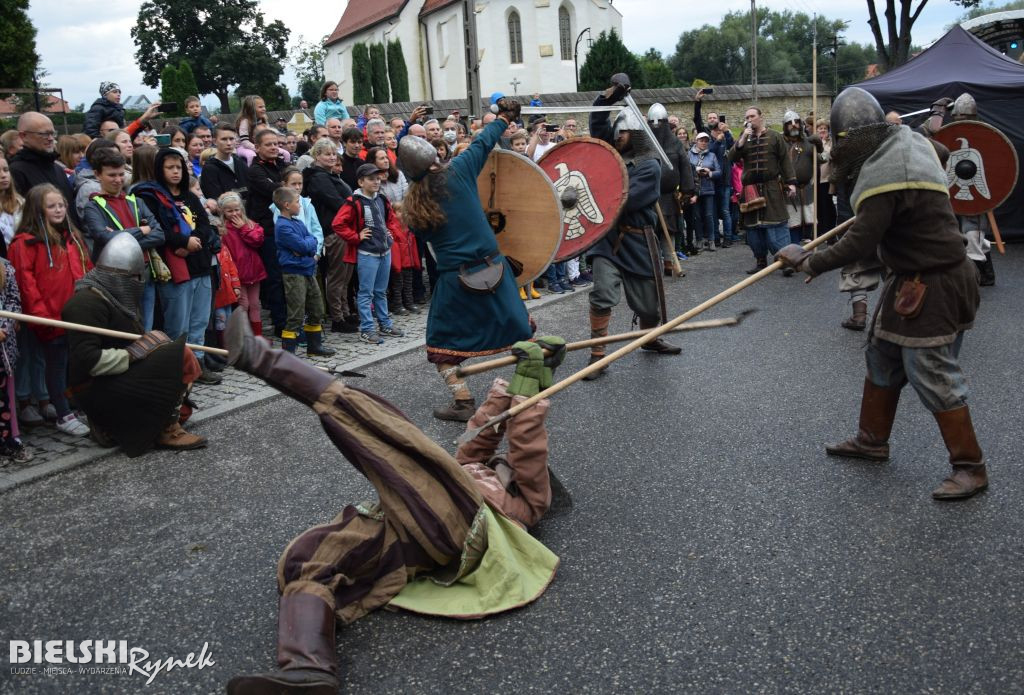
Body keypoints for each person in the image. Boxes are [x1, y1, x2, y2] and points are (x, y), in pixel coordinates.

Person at [221, 310, 560, 694]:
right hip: (405, 529)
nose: (505, 465)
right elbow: (478, 436)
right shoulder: (467, 468)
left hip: (460, 527)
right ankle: (307, 668)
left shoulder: (528, 502)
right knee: (306, 558)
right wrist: (511, 385)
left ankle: (276, 365)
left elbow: (528, 447)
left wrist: (531, 391)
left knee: (404, 448)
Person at [775, 87, 985, 501]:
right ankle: (872, 440)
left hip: (936, 283)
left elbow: (860, 243)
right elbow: (941, 152)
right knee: (883, 354)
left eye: (842, 140)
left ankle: (970, 467)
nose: (840, 148)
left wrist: (808, 260)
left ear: (856, 136)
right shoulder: (909, 140)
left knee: (931, 371)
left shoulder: (888, 176)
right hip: (910, 279)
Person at [397, 99, 535, 421]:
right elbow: (484, 140)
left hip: (455, 280)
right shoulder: (458, 171)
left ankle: (463, 401)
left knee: (441, 347)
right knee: (521, 333)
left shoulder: (414, 209)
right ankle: (528, 388)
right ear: (434, 160)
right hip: (494, 269)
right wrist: (503, 117)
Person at [61, 232, 206, 453]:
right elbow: (87, 362)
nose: (138, 283)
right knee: (181, 356)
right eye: (134, 277)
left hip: (120, 375)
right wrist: (135, 353)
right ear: (118, 276)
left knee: (183, 409)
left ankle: (124, 425)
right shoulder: (84, 304)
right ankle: (165, 428)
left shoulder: (116, 295)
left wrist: (144, 348)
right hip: (96, 386)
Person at [582, 74, 682, 382]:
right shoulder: (608, 155)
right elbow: (597, 122)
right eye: (617, 131)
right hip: (608, 239)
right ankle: (598, 354)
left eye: (624, 131)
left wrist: (598, 196)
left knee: (648, 304)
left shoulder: (649, 165)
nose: (619, 135)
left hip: (638, 240)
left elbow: (627, 200)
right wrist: (608, 96)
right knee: (601, 293)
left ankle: (649, 338)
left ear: (636, 134)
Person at [8, 184, 93, 436]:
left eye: (61, 205)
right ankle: (62, 413)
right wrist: (43, 318)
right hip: (51, 317)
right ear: (38, 210)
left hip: (75, 314)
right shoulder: (25, 244)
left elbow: (86, 269)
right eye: (51, 206)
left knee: (70, 364)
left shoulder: (72, 237)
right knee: (54, 365)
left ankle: (67, 405)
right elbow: (26, 284)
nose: (58, 210)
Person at [132, 148, 222, 385]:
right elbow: (157, 228)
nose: (175, 172)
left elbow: (204, 223)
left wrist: (194, 241)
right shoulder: (151, 197)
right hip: (176, 268)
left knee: (200, 320)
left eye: (178, 167)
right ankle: (177, 368)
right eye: (169, 167)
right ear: (159, 170)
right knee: (177, 323)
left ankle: (198, 363)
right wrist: (183, 242)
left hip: (200, 263)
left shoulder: (190, 196)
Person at [332, 163, 405, 345]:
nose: (376, 182)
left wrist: (391, 233)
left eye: (378, 178)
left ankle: (385, 324)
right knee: (366, 293)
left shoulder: (381, 199)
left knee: (381, 291)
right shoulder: (354, 201)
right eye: (371, 179)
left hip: (384, 252)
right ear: (361, 181)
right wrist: (356, 236)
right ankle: (367, 329)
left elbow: (390, 220)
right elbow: (338, 224)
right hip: (367, 254)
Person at [729, 106, 798, 275]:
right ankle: (760, 261)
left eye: (752, 116)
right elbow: (731, 157)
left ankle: (786, 261)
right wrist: (743, 138)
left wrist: (791, 183)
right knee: (753, 228)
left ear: (761, 117)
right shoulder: (744, 138)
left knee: (777, 225)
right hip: (751, 190)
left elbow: (785, 162)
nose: (749, 119)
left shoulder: (775, 137)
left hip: (771, 187)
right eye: (747, 116)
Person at [301, 138, 357, 333]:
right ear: (317, 156)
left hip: (345, 229)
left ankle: (345, 312)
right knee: (337, 277)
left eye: (334, 154)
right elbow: (337, 203)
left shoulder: (329, 175)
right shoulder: (318, 177)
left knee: (345, 276)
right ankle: (337, 317)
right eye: (327, 154)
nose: (332, 157)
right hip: (335, 231)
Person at [271, 187, 333, 357]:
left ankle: (314, 347)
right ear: (286, 205)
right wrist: (307, 248)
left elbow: (311, 240)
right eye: (297, 202)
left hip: (307, 269)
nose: (300, 205)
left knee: (317, 308)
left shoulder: (297, 222)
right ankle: (288, 355)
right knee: (296, 314)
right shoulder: (282, 226)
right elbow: (303, 245)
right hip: (294, 273)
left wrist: (307, 248)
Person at [947, 92, 996, 286]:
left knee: (973, 234)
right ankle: (987, 275)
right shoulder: (949, 137)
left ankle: (971, 283)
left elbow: (995, 166)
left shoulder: (984, 136)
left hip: (978, 193)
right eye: (958, 117)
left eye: (965, 117)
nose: (961, 120)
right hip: (957, 191)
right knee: (976, 236)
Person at [246, 129, 288, 335]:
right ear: (257, 147)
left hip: (288, 227)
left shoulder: (281, 165)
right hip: (269, 230)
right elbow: (279, 193)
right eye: (268, 144)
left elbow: (293, 186)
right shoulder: (255, 171)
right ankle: (280, 322)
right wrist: (284, 186)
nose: (274, 147)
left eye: (276, 144)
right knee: (275, 278)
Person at [10, 113, 80, 226]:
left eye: (52, 133)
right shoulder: (16, 171)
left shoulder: (57, 168)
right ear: (23, 136)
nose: (51, 138)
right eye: (44, 134)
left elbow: (70, 209)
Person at [218, 192, 266, 337]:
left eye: (237, 209)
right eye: (230, 211)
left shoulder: (251, 224)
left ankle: (257, 337)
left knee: (255, 304)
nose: (234, 213)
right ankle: (245, 337)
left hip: (253, 271)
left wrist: (243, 228)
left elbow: (258, 241)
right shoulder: (223, 230)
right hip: (237, 275)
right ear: (223, 212)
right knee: (243, 305)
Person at [781, 110, 823, 244]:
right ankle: (794, 249)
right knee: (793, 222)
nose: (794, 126)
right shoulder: (781, 143)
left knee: (809, 220)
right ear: (785, 126)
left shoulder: (808, 143)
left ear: (801, 124)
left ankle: (808, 251)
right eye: (789, 123)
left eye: (796, 123)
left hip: (807, 188)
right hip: (789, 189)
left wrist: (819, 145)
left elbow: (820, 159)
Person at [200, 124, 250, 209]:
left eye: (231, 139)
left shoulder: (240, 162)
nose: (229, 143)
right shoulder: (209, 168)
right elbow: (215, 198)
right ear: (215, 141)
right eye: (224, 139)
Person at [689, 133, 720, 252]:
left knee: (709, 215)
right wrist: (695, 170)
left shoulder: (712, 155)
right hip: (694, 190)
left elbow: (719, 172)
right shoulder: (689, 155)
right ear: (696, 141)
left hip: (708, 188)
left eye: (706, 141)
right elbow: (686, 169)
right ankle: (699, 240)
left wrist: (709, 172)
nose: (704, 143)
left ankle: (711, 240)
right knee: (696, 216)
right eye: (701, 140)